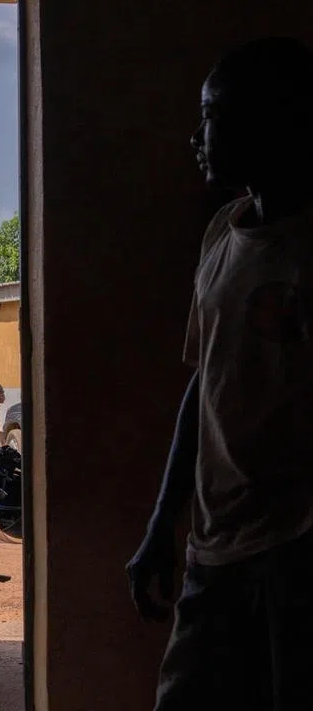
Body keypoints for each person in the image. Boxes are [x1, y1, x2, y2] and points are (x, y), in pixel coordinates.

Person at [126, 37, 313, 710]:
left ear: (268, 123)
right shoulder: (221, 236)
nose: (195, 137)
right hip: (215, 548)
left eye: (210, 117)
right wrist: (160, 529)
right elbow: (200, 390)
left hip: (295, 549)